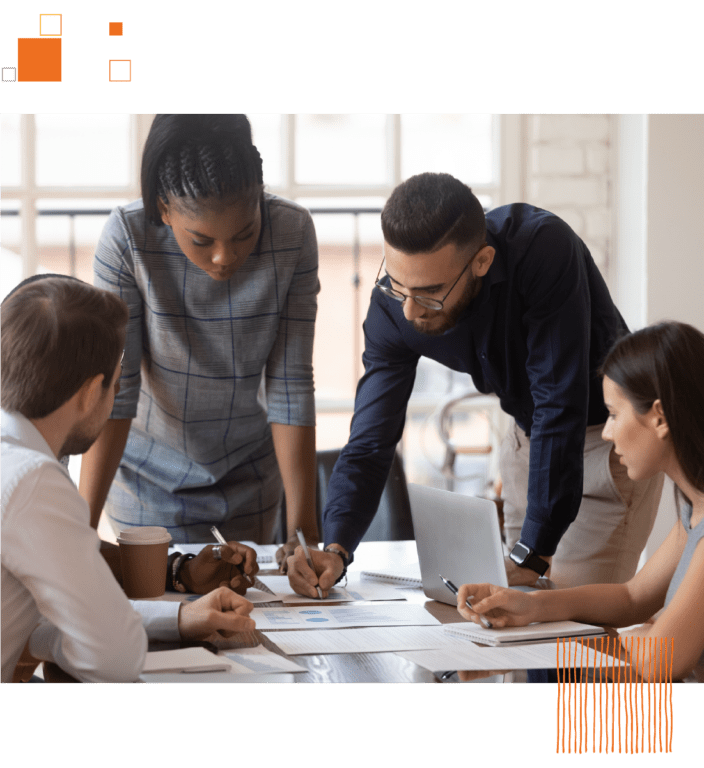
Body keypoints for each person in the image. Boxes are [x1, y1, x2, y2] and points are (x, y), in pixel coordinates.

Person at [288, 172, 663, 597]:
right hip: (528, 442)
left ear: (481, 262)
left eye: (430, 293)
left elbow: (559, 402)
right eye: (398, 284)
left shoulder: (542, 248)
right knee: (514, 624)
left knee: (573, 638)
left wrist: (532, 554)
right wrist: (336, 548)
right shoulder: (392, 307)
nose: (410, 311)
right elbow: (370, 441)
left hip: (608, 446)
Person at [82, 114, 320, 567]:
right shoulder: (127, 238)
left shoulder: (292, 233)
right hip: (148, 479)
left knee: (247, 613)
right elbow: (118, 390)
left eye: (245, 234)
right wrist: (81, 529)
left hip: (250, 473)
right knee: (166, 608)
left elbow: (291, 383)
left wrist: (304, 532)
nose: (224, 256)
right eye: (201, 239)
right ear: (163, 208)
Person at [1, 276, 256, 684]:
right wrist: (74, 636)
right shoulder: (32, 480)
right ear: (88, 394)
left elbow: (25, 614)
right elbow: (114, 658)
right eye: (115, 387)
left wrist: (178, 617)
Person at [456, 322, 704, 683]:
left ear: (660, 417)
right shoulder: (691, 507)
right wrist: (530, 607)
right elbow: (633, 598)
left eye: (614, 415)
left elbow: (658, 661)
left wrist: (646, 637)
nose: (606, 432)